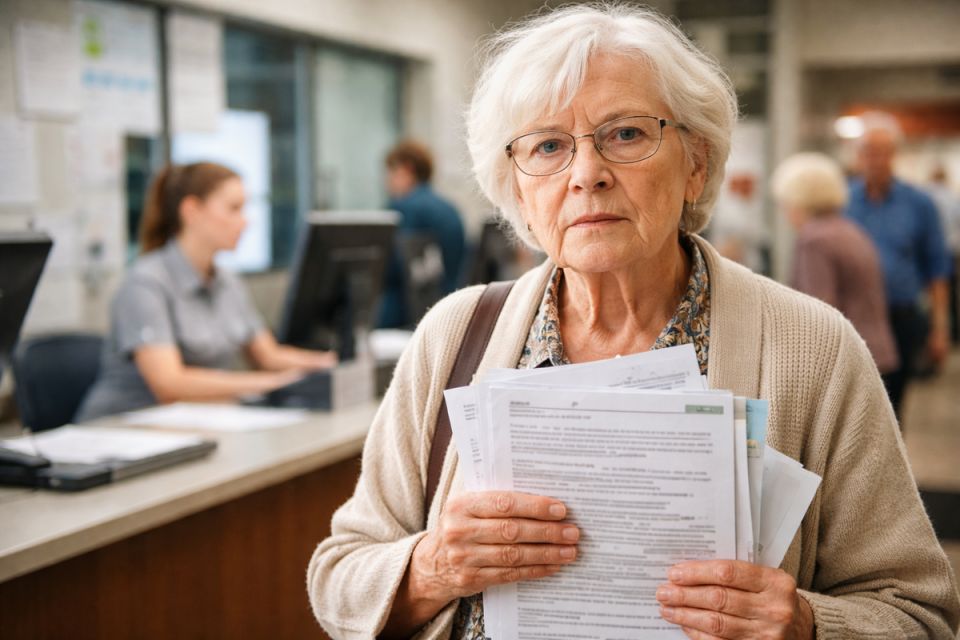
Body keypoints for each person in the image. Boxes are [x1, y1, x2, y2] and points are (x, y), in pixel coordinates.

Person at [308, 6, 960, 639]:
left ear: (695, 164)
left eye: (625, 134)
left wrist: (805, 626)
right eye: (548, 146)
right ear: (518, 192)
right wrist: (433, 567)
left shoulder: (812, 348)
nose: (586, 175)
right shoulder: (455, 333)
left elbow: (918, 615)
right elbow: (338, 578)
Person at [76, 162, 336, 421]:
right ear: (192, 211)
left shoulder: (228, 281)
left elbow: (268, 355)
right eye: (234, 209)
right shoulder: (145, 284)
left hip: (196, 424)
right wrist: (269, 383)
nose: (245, 222)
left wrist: (325, 362)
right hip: (123, 432)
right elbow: (170, 385)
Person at [845, 113, 953, 420]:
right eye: (869, 151)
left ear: (894, 155)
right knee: (855, 406)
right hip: (854, 318)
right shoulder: (843, 200)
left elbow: (937, 269)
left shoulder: (920, 203)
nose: (875, 160)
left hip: (902, 317)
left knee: (893, 407)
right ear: (858, 155)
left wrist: (940, 329)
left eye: (883, 152)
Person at [772, 152, 898, 375]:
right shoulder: (849, 229)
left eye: (784, 203)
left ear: (798, 200)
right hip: (877, 352)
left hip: (850, 363)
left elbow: (818, 311)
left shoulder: (814, 239)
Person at [377, 140, 466, 328]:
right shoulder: (449, 208)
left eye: (390, 173)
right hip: (448, 307)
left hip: (407, 317)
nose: (387, 183)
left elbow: (390, 268)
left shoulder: (403, 208)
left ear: (406, 169)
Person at [925, 165, 960, 344]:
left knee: (930, 293)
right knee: (950, 290)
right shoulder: (952, 197)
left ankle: (935, 329)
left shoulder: (926, 195)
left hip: (933, 248)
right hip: (950, 248)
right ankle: (953, 331)